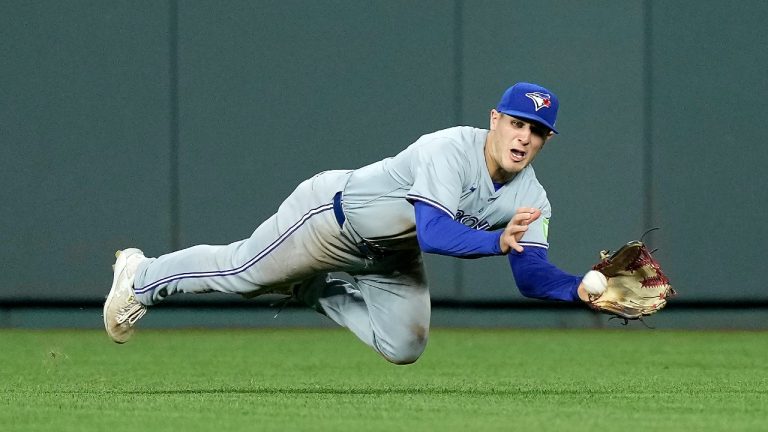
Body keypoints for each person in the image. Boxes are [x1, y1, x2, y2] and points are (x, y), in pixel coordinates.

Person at [103, 82, 606, 365]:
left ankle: (306, 291)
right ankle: (140, 276)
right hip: (330, 218)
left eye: (536, 131)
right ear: (495, 119)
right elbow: (433, 231)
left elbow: (531, 272)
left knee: (404, 347)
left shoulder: (531, 194)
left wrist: (579, 291)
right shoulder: (449, 149)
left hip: (390, 255)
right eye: (517, 123)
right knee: (244, 273)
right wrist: (496, 241)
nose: (524, 137)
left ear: (546, 141)